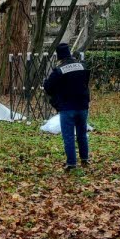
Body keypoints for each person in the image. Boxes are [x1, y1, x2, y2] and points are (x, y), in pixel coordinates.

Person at [43, 42, 91, 171]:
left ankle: (71, 163)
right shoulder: (82, 66)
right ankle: (85, 159)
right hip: (83, 106)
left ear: (59, 56)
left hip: (67, 107)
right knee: (82, 134)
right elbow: (85, 83)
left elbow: (48, 87)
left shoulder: (59, 70)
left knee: (68, 136)